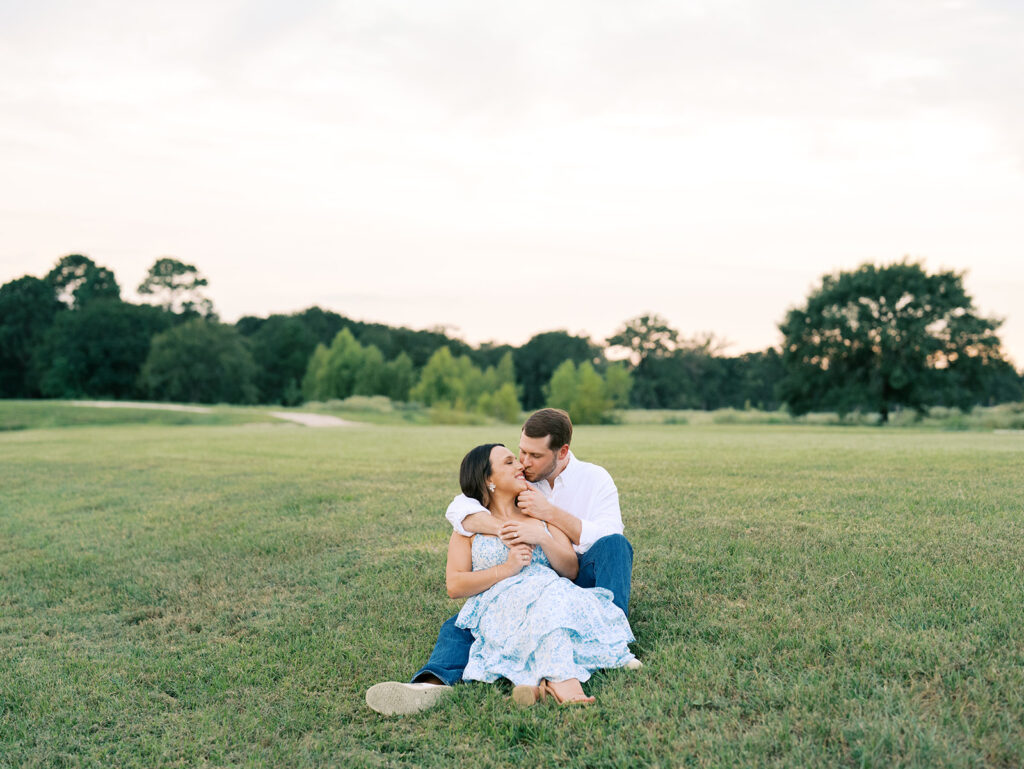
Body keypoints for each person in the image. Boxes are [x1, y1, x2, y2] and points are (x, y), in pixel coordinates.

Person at [366, 409, 638, 715]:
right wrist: (502, 543)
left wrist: (546, 520)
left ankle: (610, 639)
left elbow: (601, 540)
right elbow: (459, 520)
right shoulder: (474, 515)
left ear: (561, 452)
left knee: (602, 557)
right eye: (517, 454)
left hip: (564, 581)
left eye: (532, 455)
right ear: (489, 480)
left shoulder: (590, 481)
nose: (523, 463)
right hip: (502, 599)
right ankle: (432, 685)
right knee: (459, 627)